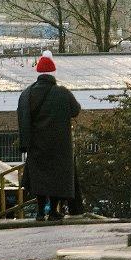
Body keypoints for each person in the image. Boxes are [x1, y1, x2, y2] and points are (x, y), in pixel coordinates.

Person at [17, 50, 81, 221]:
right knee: (56, 179)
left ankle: (39, 212)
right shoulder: (62, 93)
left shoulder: (27, 94)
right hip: (59, 146)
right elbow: (76, 110)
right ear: (53, 74)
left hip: (37, 145)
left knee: (39, 179)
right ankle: (53, 211)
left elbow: (23, 119)